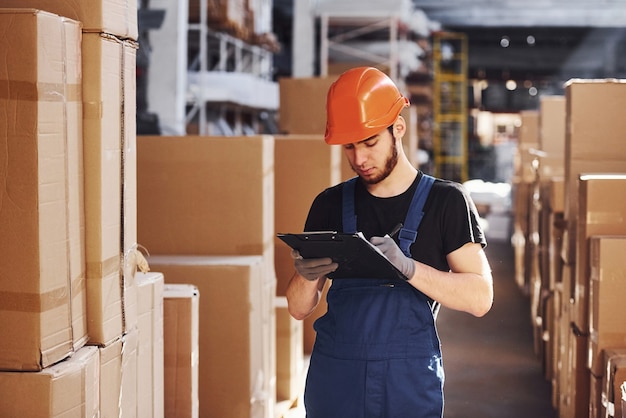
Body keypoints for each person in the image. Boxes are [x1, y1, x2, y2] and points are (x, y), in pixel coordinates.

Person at [285, 66, 494, 418]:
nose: (359, 159)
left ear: (398, 128)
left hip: (406, 387)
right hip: (336, 382)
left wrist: (410, 269)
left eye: (370, 143)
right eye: (349, 147)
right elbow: (298, 308)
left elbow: (480, 297)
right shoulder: (329, 204)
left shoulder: (446, 202)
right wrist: (305, 275)